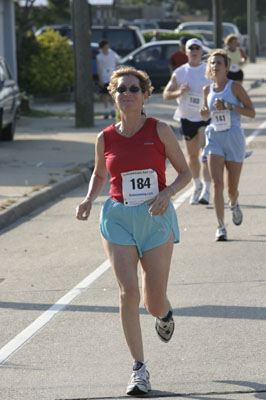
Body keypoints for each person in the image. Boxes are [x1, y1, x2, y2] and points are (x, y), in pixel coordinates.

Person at [76, 65, 191, 396]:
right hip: (117, 219)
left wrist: (168, 192)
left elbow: (185, 173)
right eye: (120, 88)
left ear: (144, 96)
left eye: (133, 88)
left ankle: (164, 313)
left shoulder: (159, 130)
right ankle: (139, 369)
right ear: (113, 95)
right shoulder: (105, 137)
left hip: (155, 219)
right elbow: (100, 174)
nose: (127, 93)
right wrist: (87, 199)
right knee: (129, 293)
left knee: (153, 301)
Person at [200, 49, 255, 241]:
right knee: (217, 183)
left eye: (219, 63)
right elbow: (206, 114)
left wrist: (230, 106)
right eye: (212, 63)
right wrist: (204, 113)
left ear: (226, 67)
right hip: (215, 137)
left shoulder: (235, 88)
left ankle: (233, 202)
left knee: (231, 189)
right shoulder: (206, 90)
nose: (215, 66)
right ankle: (220, 226)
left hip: (233, 138)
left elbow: (251, 112)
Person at [163, 38, 212, 205]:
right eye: (192, 48)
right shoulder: (180, 72)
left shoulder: (209, 70)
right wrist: (179, 92)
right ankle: (197, 186)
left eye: (198, 47)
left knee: (204, 153)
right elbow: (166, 95)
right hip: (187, 117)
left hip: (205, 117)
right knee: (192, 156)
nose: (195, 50)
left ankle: (206, 189)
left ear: (201, 51)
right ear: (186, 51)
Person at [96, 39, 120, 119]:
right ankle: (106, 110)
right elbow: (99, 68)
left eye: (107, 46)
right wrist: (100, 79)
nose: (106, 48)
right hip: (104, 77)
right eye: (105, 47)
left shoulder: (113, 54)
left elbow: (117, 63)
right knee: (105, 95)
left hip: (112, 77)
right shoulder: (99, 56)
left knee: (112, 94)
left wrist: (117, 75)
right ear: (101, 48)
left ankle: (113, 109)